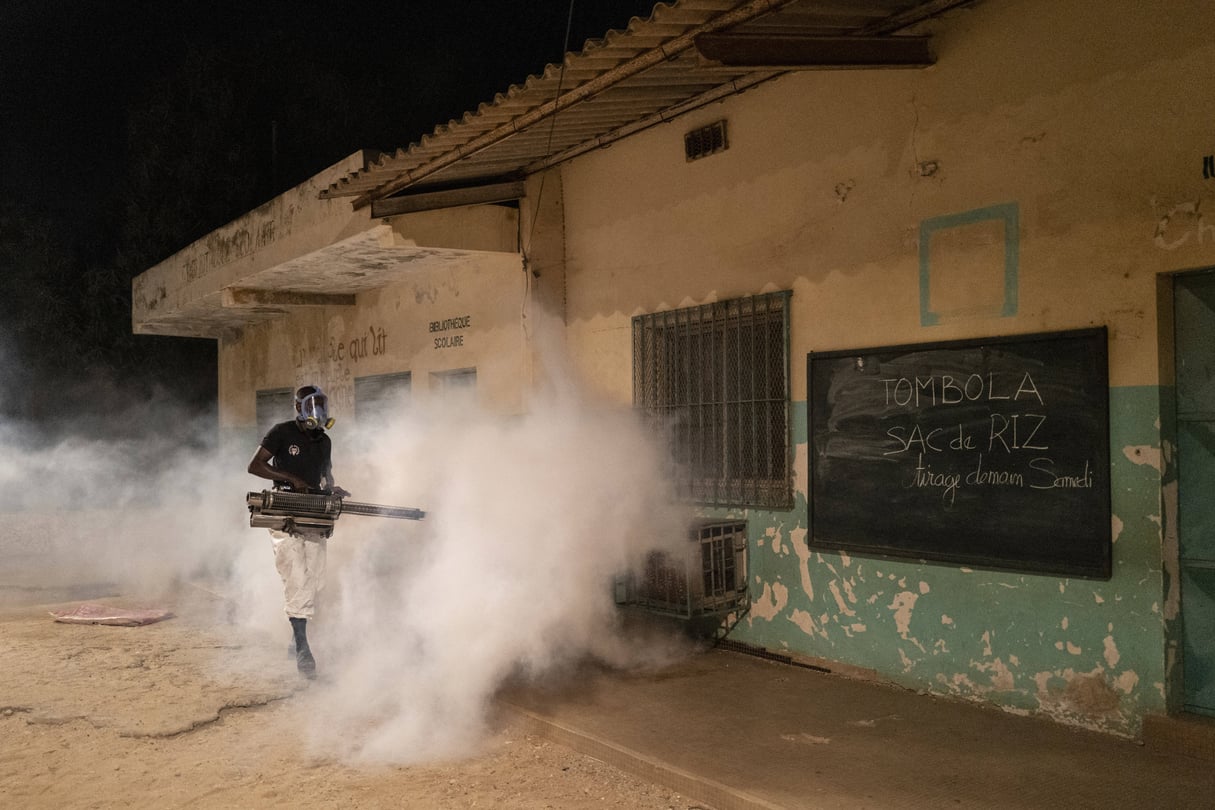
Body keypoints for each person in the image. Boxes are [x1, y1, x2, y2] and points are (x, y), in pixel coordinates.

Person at [247, 384, 350, 679]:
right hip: (285, 510)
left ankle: (295, 639)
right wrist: (290, 478)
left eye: (321, 404)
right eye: (311, 404)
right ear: (298, 408)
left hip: (314, 513)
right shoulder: (281, 432)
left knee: (316, 581)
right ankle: (304, 648)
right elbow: (255, 465)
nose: (317, 410)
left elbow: (325, 475)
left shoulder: (325, 441)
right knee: (297, 579)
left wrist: (332, 487)